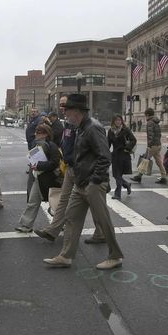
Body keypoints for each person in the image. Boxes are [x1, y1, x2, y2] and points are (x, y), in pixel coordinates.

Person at [42, 94, 124, 270]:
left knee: (103, 221)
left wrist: (94, 180)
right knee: (71, 217)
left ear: (77, 111)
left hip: (93, 183)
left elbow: (104, 156)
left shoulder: (93, 128)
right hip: (81, 182)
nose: (65, 113)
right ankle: (65, 256)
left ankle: (115, 256)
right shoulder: (80, 126)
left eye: (67, 110)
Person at [34, 96, 107, 245]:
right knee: (62, 201)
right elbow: (66, 144)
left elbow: (102, 154)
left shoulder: (89, 126)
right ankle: (53, 230)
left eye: (65, 106)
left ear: (76, 110)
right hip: (70, 167)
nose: (63, 109)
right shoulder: (67, 123)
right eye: (62, 106)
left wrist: (96, 177)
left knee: (95, 204)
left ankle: (102, 234)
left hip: (85, 170)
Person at [15, 123, 60, 232]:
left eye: (38, 132)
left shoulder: (52, 146)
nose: (35, 134)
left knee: (55, 204)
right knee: (33, 202)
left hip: (49, 179)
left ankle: (61, 223)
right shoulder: (37, 145)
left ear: (45, 134)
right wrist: (33, 165)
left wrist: (38, 165)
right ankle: (26, 225)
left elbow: (54, 163)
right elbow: (34, 159)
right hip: (39, 178)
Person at [131, 107, 166, 184]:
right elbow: (158, 134)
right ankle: (164, 177)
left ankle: (139, 176)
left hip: (152, 145)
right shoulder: (156, 122)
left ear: (147, 114)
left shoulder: (150, 122)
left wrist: (149, 145)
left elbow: (150, 135)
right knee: (159, 161)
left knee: (145, 160)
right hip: (158, 144)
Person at [108, 115, 136, 200]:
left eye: (119, 120)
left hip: (124, 155)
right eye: (116, 120)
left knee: (118, 175)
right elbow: (108, 143)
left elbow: (133, 140)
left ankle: (117, 194)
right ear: (113, 121)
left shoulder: (125, 130)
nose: (118, 122)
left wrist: (127, 148)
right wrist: (105, 152)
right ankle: (127, 184)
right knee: (116, 175)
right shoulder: (110, 131)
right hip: (115, 155)